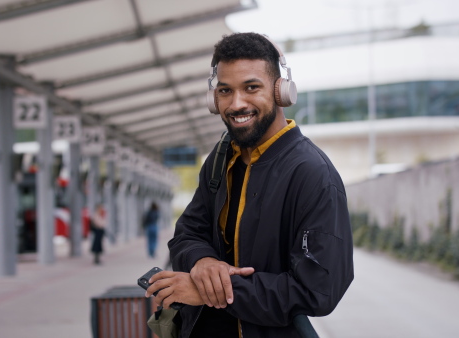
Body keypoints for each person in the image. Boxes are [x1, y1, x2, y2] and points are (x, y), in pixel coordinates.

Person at [145, 33, 354, 338]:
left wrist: (211, 291)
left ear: (281, 91)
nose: (236, 103)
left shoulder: (312, 174)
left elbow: (319, 290)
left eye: (251, 88)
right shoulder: (220, 158)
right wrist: (203, 263)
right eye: (225, 91)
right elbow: (187, 233)